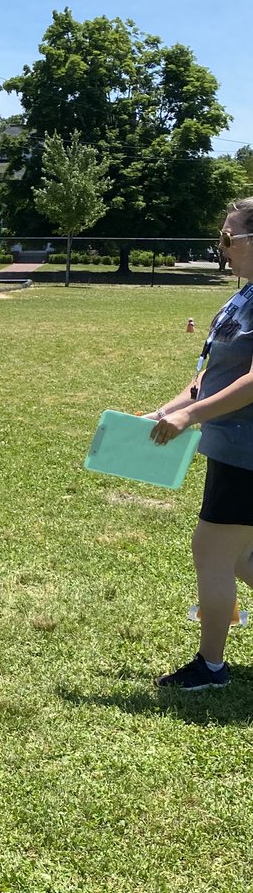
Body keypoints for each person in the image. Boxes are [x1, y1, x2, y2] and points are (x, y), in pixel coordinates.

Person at [149, 198, 253, 690]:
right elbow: (211, 374)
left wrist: (190, 415)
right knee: (239, 559)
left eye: (229, 237)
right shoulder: (243, 296)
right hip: (231, 445)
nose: (221, 246)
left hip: (247, 450)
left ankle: (211, 667)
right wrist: (169, 409)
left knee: (212, 554)